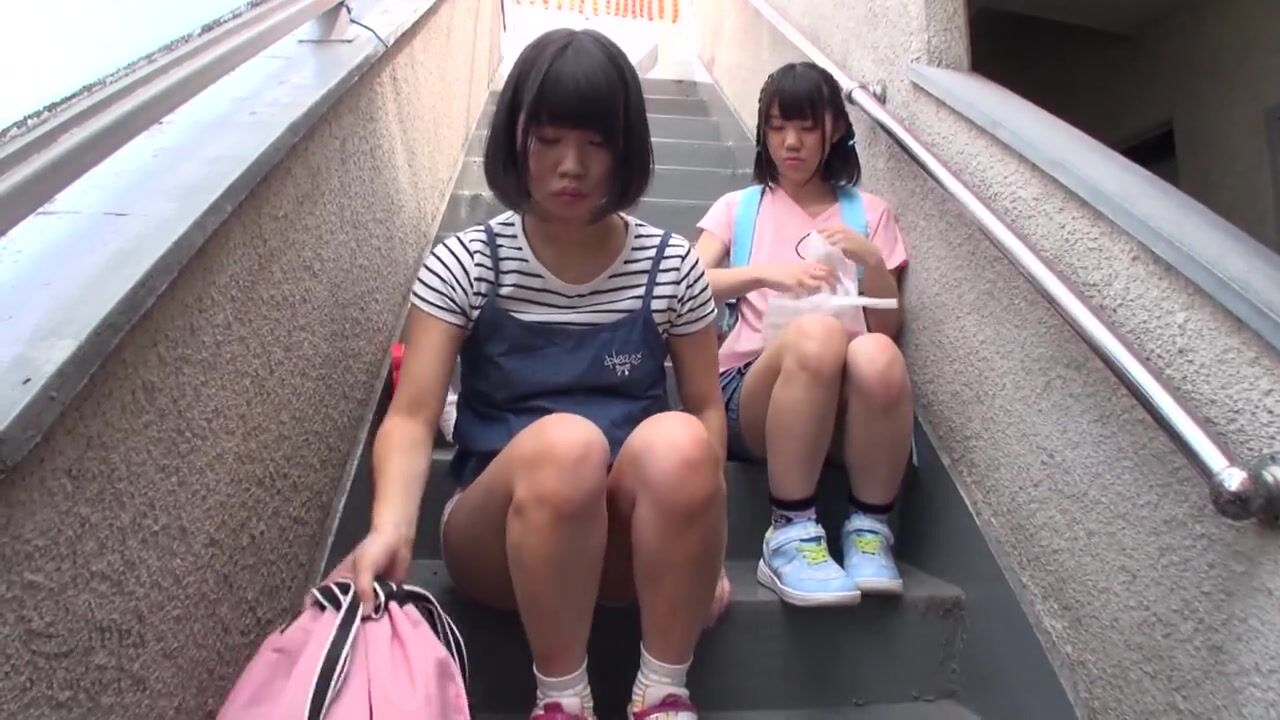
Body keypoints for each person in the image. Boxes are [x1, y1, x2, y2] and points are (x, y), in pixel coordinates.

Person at [329, 28, 729, 720]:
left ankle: (664, 692)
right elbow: (414, 415)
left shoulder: (673, 267)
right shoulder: (467, 263)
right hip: (495, 539)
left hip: (623, 543)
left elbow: (706, 408)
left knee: (682, 440)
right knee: (568, 444)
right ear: (515, 140)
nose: (571, 166)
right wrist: (391, 526)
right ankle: (561, 701)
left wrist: (706, 549)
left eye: (596, 143)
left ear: (627, 148)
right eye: (548, 140)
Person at [694, 62, 912, 607]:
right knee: (818, 337)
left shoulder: (870, 214)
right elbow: (688, 283)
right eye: (776, 127)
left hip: (843, 403)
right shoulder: (739, 208)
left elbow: (886, 325)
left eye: (806, 127)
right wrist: (765, 275)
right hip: (753, 392)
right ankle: (789, 531)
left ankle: (869, 530)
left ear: (834, 129)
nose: (790, 142)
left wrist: (871, 260)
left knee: (879, 354)